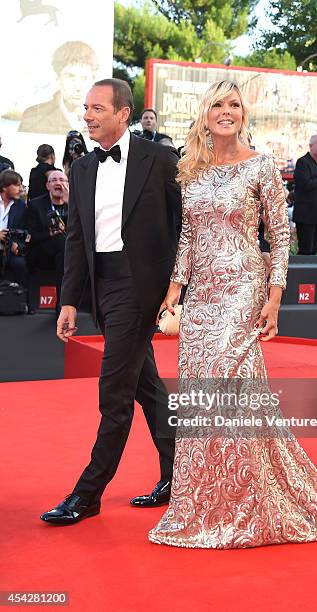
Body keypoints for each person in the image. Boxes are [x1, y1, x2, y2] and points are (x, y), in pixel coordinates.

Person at [148, 80, 317, 549]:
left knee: (230, 388)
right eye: (218, 105)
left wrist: (274, 297)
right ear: (205, 113)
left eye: (235, 105)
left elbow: (280, 237)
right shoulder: (191, 171)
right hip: (201, 298)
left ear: (245, 114)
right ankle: (208, 503)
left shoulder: (260, 167)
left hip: (243, 289)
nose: (227, 112)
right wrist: (174, 291)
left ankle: (245, 505)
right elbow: (187, 239)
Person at [40, 78, 182, 525]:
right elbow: (77, 241)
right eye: (85, 108)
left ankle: (89, 492)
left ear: (123, 113)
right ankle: (181, 476)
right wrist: (69, 301)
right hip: (102, 289)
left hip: (141, 290)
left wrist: (176, 292)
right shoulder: (80, 169)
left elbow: (184, 228)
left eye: (97, 108)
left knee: (114, 392)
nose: (88, 115)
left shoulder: (159, 159)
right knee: (147, 388)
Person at [19, 41, 98, 135]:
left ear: (93, 80)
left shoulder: (105, 119)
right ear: (58, 78)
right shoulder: (34, 117)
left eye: (84, 78)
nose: (78, 86)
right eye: (70, 76)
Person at [27, 170, 69, 314]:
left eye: (62, 180)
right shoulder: (35, 205)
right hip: (42, 252)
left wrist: (70, 201)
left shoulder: (76, 204)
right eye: (54, 180)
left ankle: (65, 303)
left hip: (67, 254)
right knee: (61, 241)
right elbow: (31, 236)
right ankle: (62, 303)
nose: (58, 183)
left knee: (63, 246)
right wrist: (51, 233)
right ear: (47, 186)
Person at [0, 171, 30, 300]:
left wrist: (16, 243)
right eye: (17, 185)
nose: (21, 189)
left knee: (20, 264)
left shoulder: (21, 206)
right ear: (5, 187)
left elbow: (23, 230)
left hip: (9, 248)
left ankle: (24, 301)